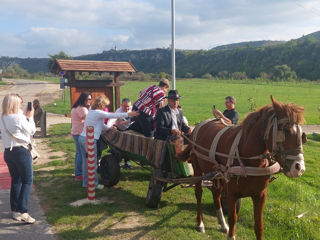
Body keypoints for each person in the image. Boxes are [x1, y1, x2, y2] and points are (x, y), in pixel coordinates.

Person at [78, 95, 139, 189]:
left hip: (82, 138)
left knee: (86, 163)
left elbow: (101, 125)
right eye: (105, 105)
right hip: (89, 140)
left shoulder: (91, 111)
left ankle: (86, 183)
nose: (105, 107)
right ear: (101, 104)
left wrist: (110, 129)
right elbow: (113, 115)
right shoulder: (98, 112)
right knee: (93, 164)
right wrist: (130, 114)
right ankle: (94, 185)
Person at [0, 93, 36, 223]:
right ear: (15, 104)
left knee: (16, 180)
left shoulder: (2, 117)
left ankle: (15, 210)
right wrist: (30, 117)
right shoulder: (18, 118)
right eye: (20, 103)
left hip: (8, 152)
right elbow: (32, 131)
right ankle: (23, 211)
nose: (21, 105)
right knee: (27, 181)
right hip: (21, 151)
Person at [107, 98, 133, 169]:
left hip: (130, 130)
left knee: (128, 146)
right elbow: (112, 119)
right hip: (120, 130)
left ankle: (127, 162)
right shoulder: (119, 111)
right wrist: (108, 127)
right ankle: (118, 162)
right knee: (119, 146)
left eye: (128, 106)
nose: (127, 108)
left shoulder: (133, 109)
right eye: (125, 106)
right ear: (122, 105)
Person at [71, 93, 92, 181]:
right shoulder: (82, 109)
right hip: (80, 133)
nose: (90, 101)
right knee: (81, 154)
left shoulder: (76, 107)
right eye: (88, 99)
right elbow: (90, 119)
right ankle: (79, 174)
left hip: (76, 132)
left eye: (90, 99)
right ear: (83, 99)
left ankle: (78, 173)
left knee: (78, 154)